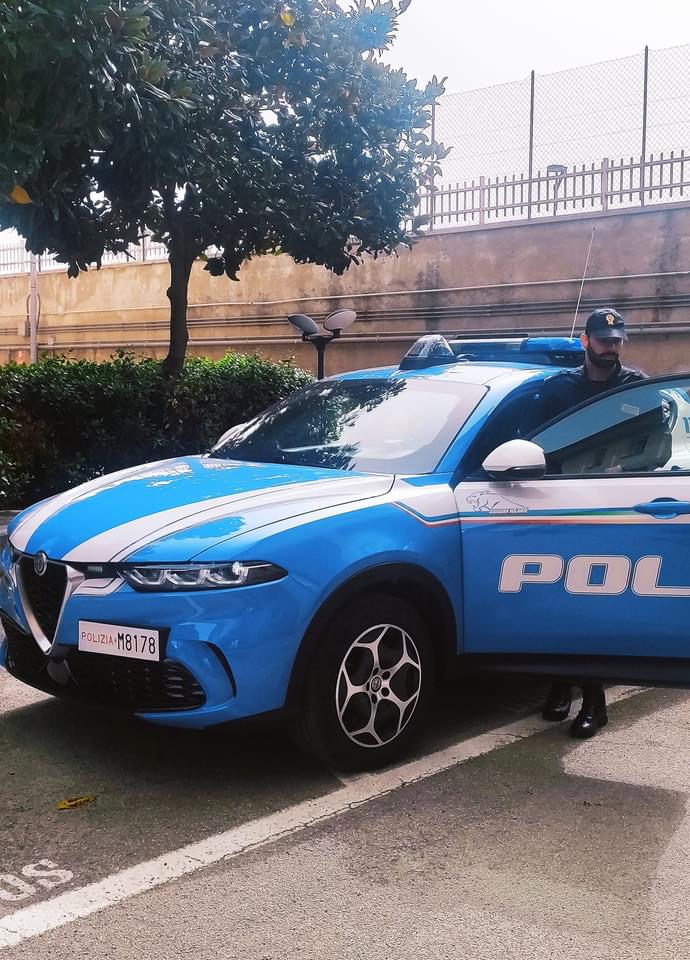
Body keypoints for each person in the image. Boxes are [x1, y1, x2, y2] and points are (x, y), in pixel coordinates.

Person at [539, 307, 647, 738]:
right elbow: (538, 446)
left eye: (617, 339)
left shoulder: (637, 387)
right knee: (556, 600)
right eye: (604, 340)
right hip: (560, 506)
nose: (611, 347)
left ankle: (595, 702)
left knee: (589, 604)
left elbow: (655, 445)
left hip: (613, 509)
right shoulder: (558, 389)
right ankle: (561, 682)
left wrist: (627, 469)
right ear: (586, 341)